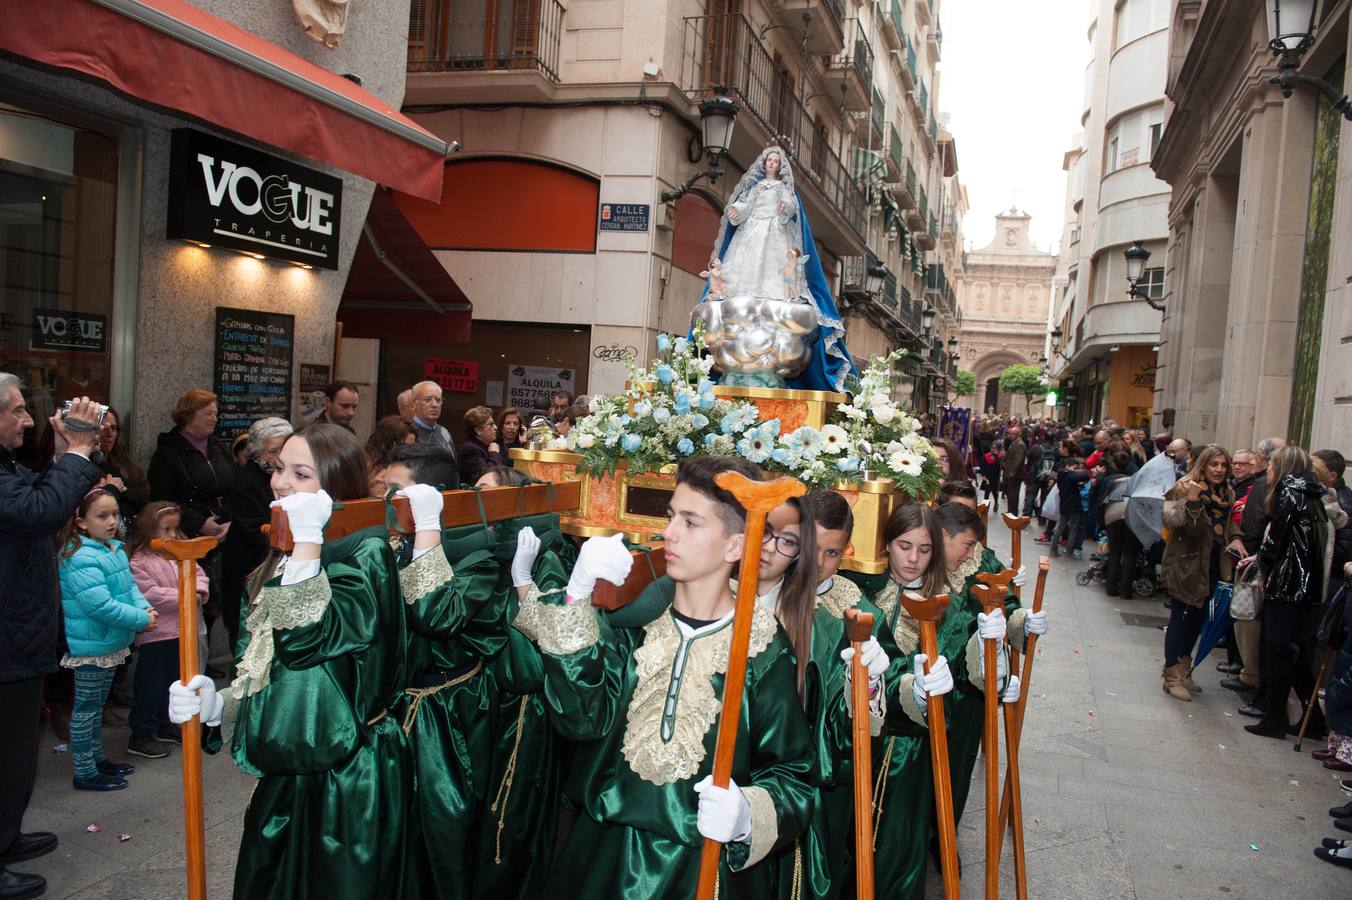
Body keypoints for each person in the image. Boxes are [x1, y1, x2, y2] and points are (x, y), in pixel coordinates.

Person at [507, 456, 814, 897]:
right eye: (671, 517)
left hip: (702, 872)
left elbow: (793, 772)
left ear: (734, 546)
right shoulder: (634, 625)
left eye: (691, 522)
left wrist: (749, 813)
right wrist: (576, 594)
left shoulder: (760, 647)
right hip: (603, 859)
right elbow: (579, 720)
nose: (668, 533)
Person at [169, 423, 414, 898]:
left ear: (334, 488)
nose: (280, 482)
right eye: (280, 468)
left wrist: (306, 543)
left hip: (347, 776)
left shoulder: (364, 554)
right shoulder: (279, 558)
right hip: (288, 770)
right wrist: (219, 705)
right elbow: (265, 667)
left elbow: (306, 640)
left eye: (301, 474)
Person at [379, 443, 509, 897]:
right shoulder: (385, 546)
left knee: (443, 831)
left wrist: (427, 533)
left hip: (449, 715)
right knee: (389, 834)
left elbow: (436, 617)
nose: (387, 502)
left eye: (398, 492)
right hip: (392, 712)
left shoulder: (477, 557)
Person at [0, 378, 104, 896]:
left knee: (17, 747)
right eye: (18, 412)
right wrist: (79, 452)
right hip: (5, 630)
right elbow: (36, 512)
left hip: (16, 629)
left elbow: (36, 498)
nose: (27, 421)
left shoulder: (7, 464)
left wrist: (67, 454)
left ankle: (6, 834)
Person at [864, 502, 957, 900]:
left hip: (908, 753)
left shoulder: (946, 605)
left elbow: (950, 677)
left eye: (924, 549)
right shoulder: (863, 589)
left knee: (896, 850)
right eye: (904, 546)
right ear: (887, 544)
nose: (914, 559)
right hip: (855, 742)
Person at [58, 487, 156, 790]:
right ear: (81, 522)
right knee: (86, 708)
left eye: (114, 514)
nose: (112, 521)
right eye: (102, 516)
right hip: (91, 645)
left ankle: (98, 760)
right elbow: (99, 606)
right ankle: (85, 771)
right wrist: (141, 619)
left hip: (110, 641)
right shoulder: (78, 557)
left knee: (97, 705)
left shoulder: (112, 549)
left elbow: (130, 590)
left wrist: (144, 608)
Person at [1241, 447, 1330, 737]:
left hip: (1288, 585)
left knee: (1278, 652)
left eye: (1271, 466)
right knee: (1294, 654)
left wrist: (1264, 568)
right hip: (1305, 588)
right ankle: (1311, 718)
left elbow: (1276, 541)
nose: (1266, 470)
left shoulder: (1290, 493)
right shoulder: (1313, 496)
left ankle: (1276, 717)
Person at [126, 502, 208, 760]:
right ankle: (141, 733)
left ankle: (167, 723)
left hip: (182, 630)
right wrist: (185, 594)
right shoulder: (140, 561)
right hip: (157, 633)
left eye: (174, 528)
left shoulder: (180, 553)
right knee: (151, 684)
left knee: (175, 681)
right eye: (165, 529)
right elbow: (148, 593)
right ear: (150, 530)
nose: (172, 535)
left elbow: (198, 573)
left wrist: (199, 591)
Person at [1159, 445, 1236, 703]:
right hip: (1186, 562)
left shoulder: (1227, 492)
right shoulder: (1185, 487)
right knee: (1180, 617)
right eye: (1214, 465)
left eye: (1223, 465)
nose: (1219, 470)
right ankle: (1171, 675)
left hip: (1213, 561)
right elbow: (1184, 527)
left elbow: (1228, 526)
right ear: (1203, 465)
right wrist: (1192, 501)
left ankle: (1183, 668)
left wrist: (1235, 538)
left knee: (1198, 617)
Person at [221, 417, 293, 654]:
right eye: (273, 451)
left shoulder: (287, 476)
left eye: (284, 449)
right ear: (256, 452)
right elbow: (253, 529)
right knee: (246, 637)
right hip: (250, 568)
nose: (279, 456)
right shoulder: (247, 480)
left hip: (274, 566)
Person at [96, 406, 149, 527]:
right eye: (104, 428)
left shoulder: (124, 461)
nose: (110, 434)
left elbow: (144, 496)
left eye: (113, 428)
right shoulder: (82, 465)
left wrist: (125, 491)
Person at [364, 415, 416, 498]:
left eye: (412, 447)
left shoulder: (402, 467)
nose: (410, 452)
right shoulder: (380, 477)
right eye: (405, 446)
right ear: (390, 444)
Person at [1049, 458, 1090, 559]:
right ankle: (1069, 550)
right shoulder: (1069, 475)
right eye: (1075, 467)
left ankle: (1053, 549)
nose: (1076, 470)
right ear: (1068, 466)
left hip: (1064, 505)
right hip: (1074, 506)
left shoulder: (1061, 476)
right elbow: (1084, 477)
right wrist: (1090, 473)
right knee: (1073, 528)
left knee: (1060, 528)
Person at [458, 405, 506, 487]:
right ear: (478, 430)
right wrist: (494, 453)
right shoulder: (469, 450)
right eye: (491, 424)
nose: (496, 427)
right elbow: (487, 476)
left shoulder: (487, 446)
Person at [411, 381, 456, 459]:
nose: (435, 405)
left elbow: (454, 463)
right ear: (414, 403)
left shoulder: (444, 432)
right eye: (427, 400)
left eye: (438, 400)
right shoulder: (406, 432)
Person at [1002, 425, 1027, 516]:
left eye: (1012, 434)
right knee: (1010, 492)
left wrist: (1012, 473)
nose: (1010, 435)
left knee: (1013, 494)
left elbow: (1018, 460)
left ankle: (1013, 512)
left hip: (1015, 475)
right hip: (1010, 472)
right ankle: (1010, 510)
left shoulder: (1020, 444)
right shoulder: (1014, 442)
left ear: (1017, 434)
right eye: (1010, 433)